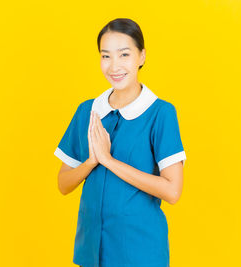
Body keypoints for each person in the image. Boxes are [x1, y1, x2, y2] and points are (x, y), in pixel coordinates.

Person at [54, 18, 186, 267]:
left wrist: (109, 161)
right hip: (91, 252)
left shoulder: (161, 114)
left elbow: (173, 191)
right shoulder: (87, 112)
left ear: (141, 56)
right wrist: (92, 161)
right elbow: (63, 183)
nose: (114, 66)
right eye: (106, 56)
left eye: (124, 54)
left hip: (139, 254)